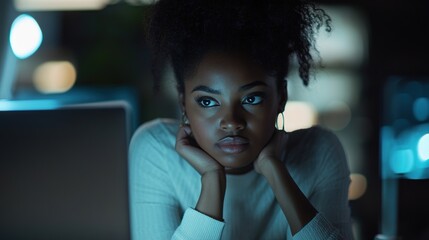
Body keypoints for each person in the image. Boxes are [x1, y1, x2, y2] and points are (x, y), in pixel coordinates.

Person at [129, 0, 353, 239]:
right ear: (183, 103)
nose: (231, 122)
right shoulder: (156, 151)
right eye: (207, 102)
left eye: (252, 99)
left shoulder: (319, 151)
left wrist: (276, 172)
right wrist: (212, 180)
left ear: (281, 98)